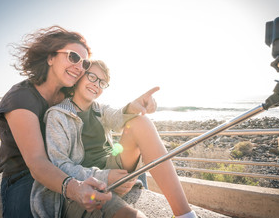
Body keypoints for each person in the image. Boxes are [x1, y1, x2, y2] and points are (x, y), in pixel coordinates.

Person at [31, 60, 197, 218]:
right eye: (92, 77)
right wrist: (105, 176)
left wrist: (134, 106)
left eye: (102, 82)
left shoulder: (100, 109)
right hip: (85, 185)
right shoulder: (57, 115)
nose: (96, 84)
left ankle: (185, 214)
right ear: (79, 77)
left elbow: (118, 118)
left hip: (114, 169)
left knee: (140, 122)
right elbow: (59, 166)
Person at [0, 26, 112, 218]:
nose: (79, 67)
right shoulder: (20, 98)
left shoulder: (68, 95)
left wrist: (133, 110)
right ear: (50, 58)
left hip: (65, 165)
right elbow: (36, 162)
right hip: (24, 176)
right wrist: (75, 188)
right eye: (73, 57)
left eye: (84, 63)